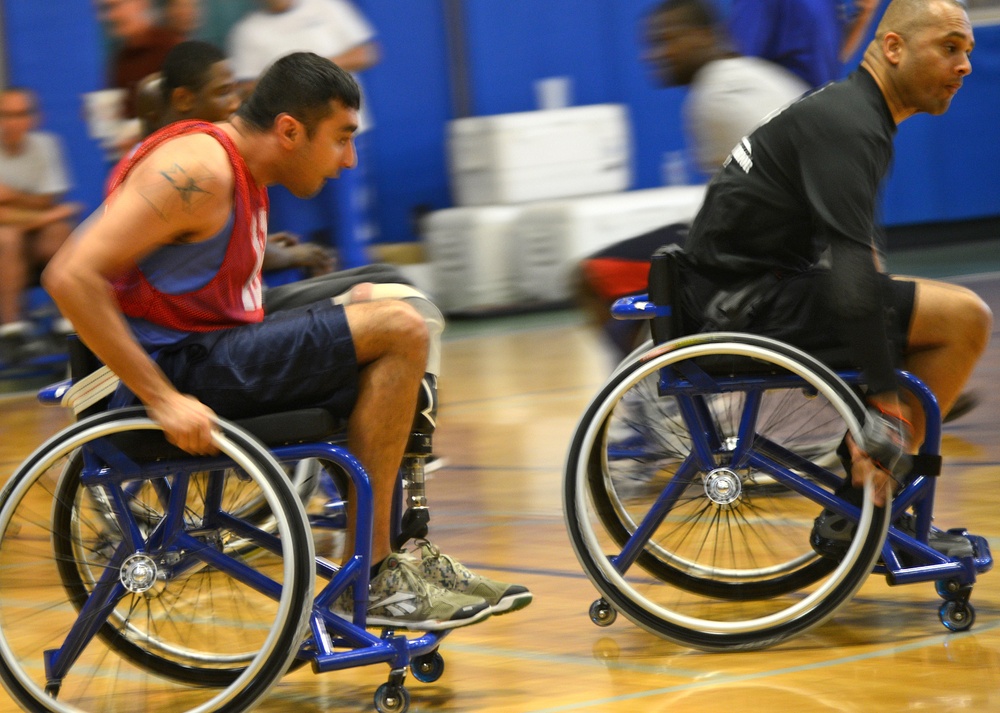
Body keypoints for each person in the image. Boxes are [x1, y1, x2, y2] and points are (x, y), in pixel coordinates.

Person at [43, 52, 531, 630]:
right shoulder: (200, 172)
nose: (349, 160)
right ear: (290, 130)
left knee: (396, 297)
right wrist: (161, 399)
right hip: (170, 371)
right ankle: (374, 576)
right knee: (397, 328)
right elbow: (68, 275)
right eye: (342, 139)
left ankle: (405, 550)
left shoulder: (238, 167)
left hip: (205, 346)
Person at [675, 0, 990, 552]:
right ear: (893, 48)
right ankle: (872, 500)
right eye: (949, 48)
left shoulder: (850, 111)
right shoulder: (849, 124)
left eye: (968, 51)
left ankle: (867, 497)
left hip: (740, 293)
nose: (964, 64)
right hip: (739, 308)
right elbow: (848, 266)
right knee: (965, 319)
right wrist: (886, 403)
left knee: (933, 304)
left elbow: (859, 256)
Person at [578, 0, 809, 360]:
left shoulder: (715, 96)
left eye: (666, 40)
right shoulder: (760, 76)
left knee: (592, 275)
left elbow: (739, 215)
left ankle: (640, 389)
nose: (655, 54)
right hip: (802, 246)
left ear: (705, 36)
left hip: (768, 258)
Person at [227, 0, 381, 269]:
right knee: (293, 237)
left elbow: (366, 52)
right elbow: (242, 88)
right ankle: (303, 300)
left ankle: (360, 288)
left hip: (335, 136)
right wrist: (292, 83)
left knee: (348, 229)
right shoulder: (247, 32)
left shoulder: (327, 8)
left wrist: (316, 73)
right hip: (288, 148)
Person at [0, 87, 79, 363]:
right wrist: (44, 215)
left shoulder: (46, 146)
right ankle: (11, 333)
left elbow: (48, 199)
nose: (11, 122)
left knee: (59, 233)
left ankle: (66, 327)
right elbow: (46, 209)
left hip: (34, 241)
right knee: (7, 238)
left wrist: (12, 197)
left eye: (20, 114)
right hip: (6, 245)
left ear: (33, 118)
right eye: (5, 115)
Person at [726, 0, 881, 88]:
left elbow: (835, 55)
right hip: (774, 127)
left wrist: (864, 13)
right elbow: (737, 68)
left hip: (808, 123)